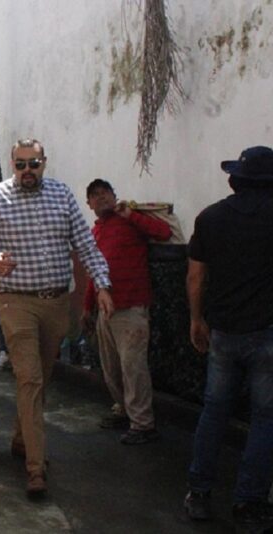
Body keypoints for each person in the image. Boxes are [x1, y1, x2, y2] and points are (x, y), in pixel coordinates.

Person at [0, 138, 113, 498]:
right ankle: (36, 468)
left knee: (40, 379)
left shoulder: (62, 195)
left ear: (44, 163)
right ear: (12, 165)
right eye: (20, 164)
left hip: (55, 303)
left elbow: (85, 245)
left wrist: (103, 285)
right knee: (30, 378)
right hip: (15, 302)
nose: (27, 171)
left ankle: (22, 438)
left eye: (33, 164)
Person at [183, 146, 273, 531]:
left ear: (237, 179)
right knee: (265, 418)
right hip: (267, 332)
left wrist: (196, 319)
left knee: (214, 411)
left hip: (222, 331)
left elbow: (196, 277)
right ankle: (248, 502)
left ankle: (199, 493)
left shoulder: (210, 217)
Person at [83, 179, 172, 444]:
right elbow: (93, 273)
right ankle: (123, 409)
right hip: (105, 311)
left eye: (105, 193)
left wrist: (131, 215)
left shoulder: (130, 221)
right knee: (111, 369)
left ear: (114, 196)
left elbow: (164, 232)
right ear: (89, 204)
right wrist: (87, 307)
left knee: (133, 368)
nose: (101, 198)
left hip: (131, 307)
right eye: (95, 195)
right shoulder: (95, 231)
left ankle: (143, 424)